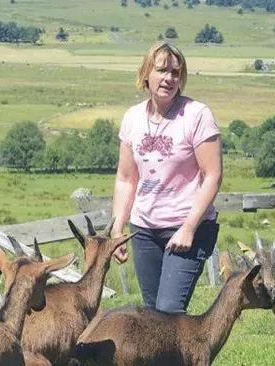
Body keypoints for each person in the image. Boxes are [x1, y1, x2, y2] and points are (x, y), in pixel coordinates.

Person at [110, 41, 222, 314]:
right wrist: (117, 229)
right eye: (162, 70)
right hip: (144, 230)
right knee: (152, 314)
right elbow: (125, 178)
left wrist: (189, 228)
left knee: (169, 310)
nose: (169, 78)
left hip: (185, 229)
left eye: (175, 72)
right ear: (146, 73)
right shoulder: (133, 118)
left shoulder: (197, 115)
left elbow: (213, 176)